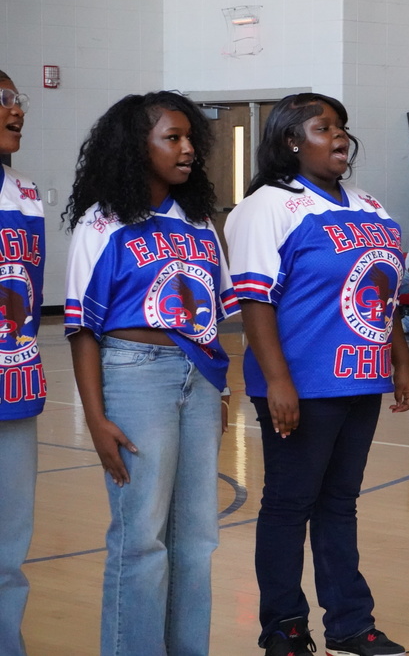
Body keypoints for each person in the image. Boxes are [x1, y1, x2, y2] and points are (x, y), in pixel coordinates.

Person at [224, 93, 409, 656]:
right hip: (302, 382)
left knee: (340, 503)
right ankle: (283, 625)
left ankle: (351, 624)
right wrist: (277, 381)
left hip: (362, 377)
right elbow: (255, 302)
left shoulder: (369, 204)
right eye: (322, 127)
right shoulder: (267, 207)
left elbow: (381, 291)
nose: (339, 136)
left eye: (342, 127)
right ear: (290, 139)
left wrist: (401, 361)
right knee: (289, 503)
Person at [63, 91, 238, 656]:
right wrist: (95, 417)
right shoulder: (103, 221)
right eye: (172, 138)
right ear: (136, 148)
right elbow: (83, 330)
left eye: (191, 139)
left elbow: (211, 309)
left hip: (199, 378)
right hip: (135, 376)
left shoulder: (200, 221)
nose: (188, 149)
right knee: (140, 540)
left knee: (196, 540)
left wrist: (222, 386)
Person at [0, 70, 44, 656]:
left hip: (16, 384)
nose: (16, 111)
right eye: (4, 100)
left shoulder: (24, 192)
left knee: (9, 550)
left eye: (16, 100)